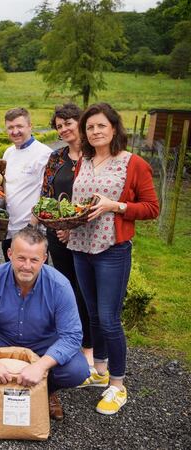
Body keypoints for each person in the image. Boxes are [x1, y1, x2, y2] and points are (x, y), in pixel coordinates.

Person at [67, 103, 159, 415]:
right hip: (82, 246)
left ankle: (118, 386)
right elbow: (81, 204)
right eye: (90, 127)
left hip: (112, 250)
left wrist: (115, 206)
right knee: (92, 315)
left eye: (101, 126)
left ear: (115, 129)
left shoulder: (132, 164)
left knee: (109, 319)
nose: (94, 132)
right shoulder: (84, 159)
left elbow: (151, 207)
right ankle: (100, 371)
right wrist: (68, 224)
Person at [0, 227, 90, 421]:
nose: (27, 266)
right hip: (3, 339)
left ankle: (45, 390)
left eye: (34, 260)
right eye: (21, 258)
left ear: (44, 258)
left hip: (43, 343)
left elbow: (72, 336)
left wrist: (41, 366)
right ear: (10, 254)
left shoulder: (60, 286)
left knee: (78, 370)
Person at [39, 103, 93, 367]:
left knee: (86, 291)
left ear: (80, 121)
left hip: (88, 236)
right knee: (66, 289)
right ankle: (67, 340)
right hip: (58, 236)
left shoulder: (95, 157)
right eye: (59, 126)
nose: (63, 129)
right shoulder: (56, 158)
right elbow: (46, 197)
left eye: (68, 123)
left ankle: (90, 346)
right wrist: (59, 228)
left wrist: (74, 229)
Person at [1, 107, 53, 261]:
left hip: (32, 231)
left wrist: (32, 224)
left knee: (32, 276)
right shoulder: (8, 153)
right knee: (11, 274)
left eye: (19, 126)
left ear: (30, 126)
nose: (15, 131)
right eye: (10, 127)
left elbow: (48, 194)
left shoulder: (44, 154)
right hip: (9, 229)